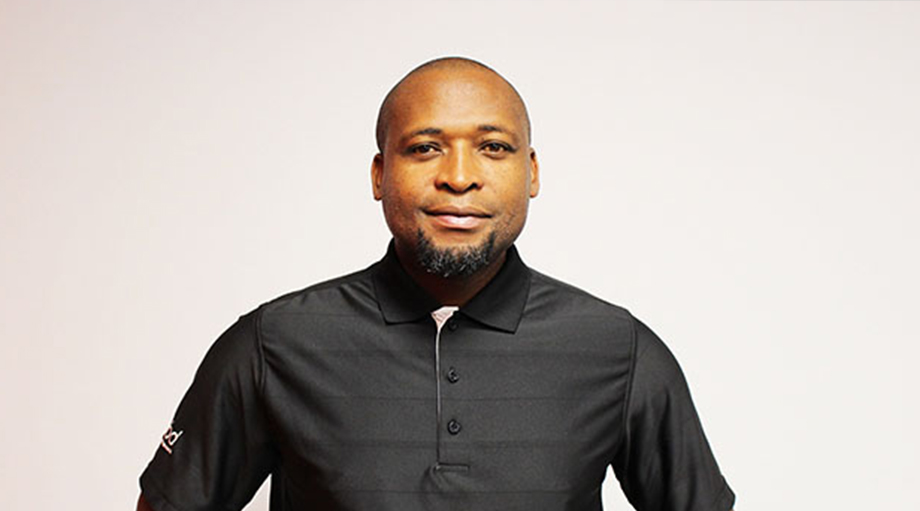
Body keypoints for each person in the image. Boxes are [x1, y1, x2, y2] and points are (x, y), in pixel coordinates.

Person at [137, 57, 735, 511]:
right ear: (379, 174)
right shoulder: (273, 343)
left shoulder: (617, 349)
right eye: (425, 148)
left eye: (492, 148)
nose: (458, 177)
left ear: (531, 173)